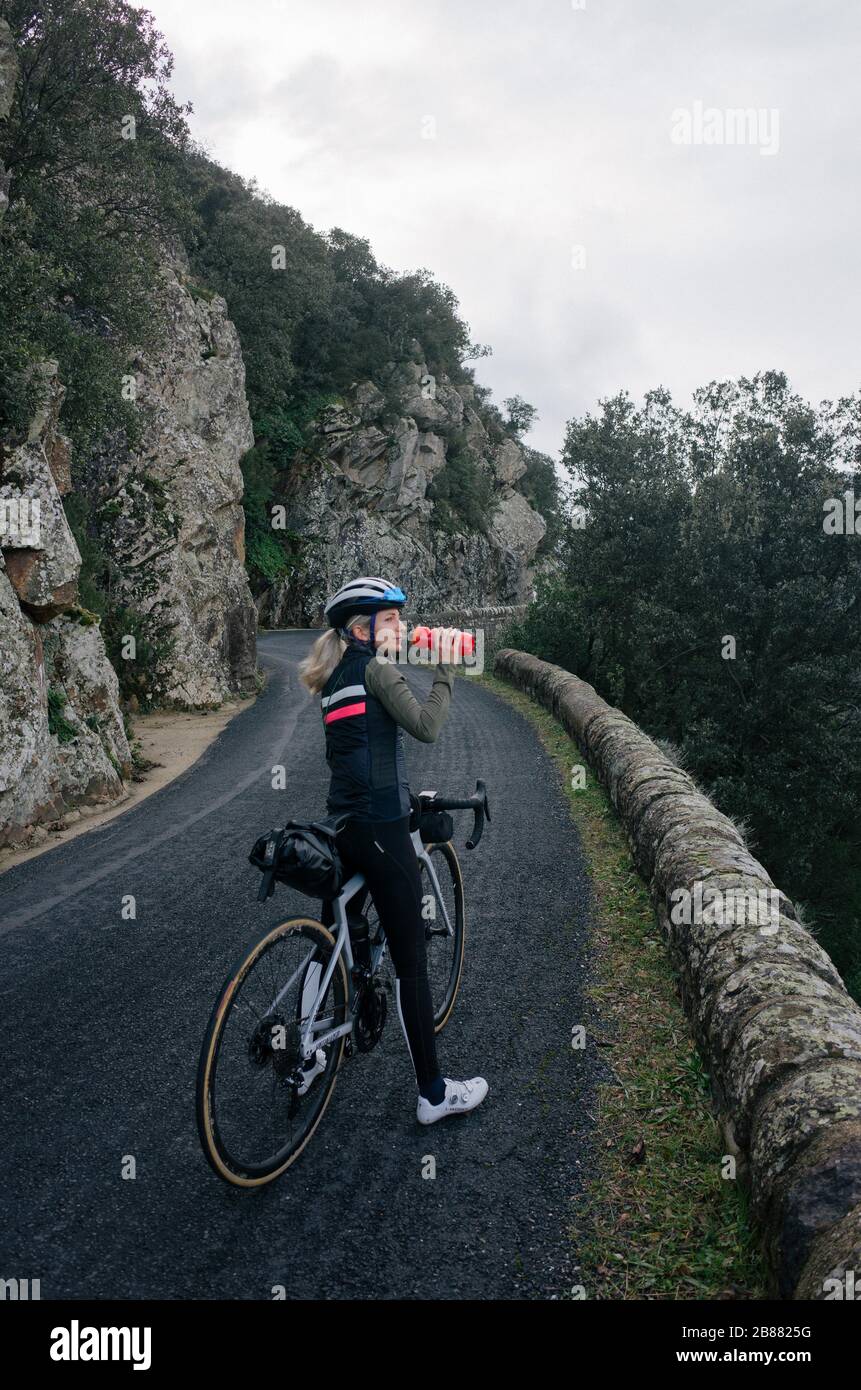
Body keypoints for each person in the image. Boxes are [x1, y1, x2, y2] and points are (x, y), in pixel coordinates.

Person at [298, 575, 488, 1125]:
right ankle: (433, 1094)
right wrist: (447, 667)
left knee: (333, 940)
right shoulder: (378, 670)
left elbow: (364, 752)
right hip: (382, 829)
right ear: (362, 629)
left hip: (343, 827)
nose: (400, 627)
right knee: (411, 963)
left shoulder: (335, 677)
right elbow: (426, 727)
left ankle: (308, 1051)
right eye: (390, 619)